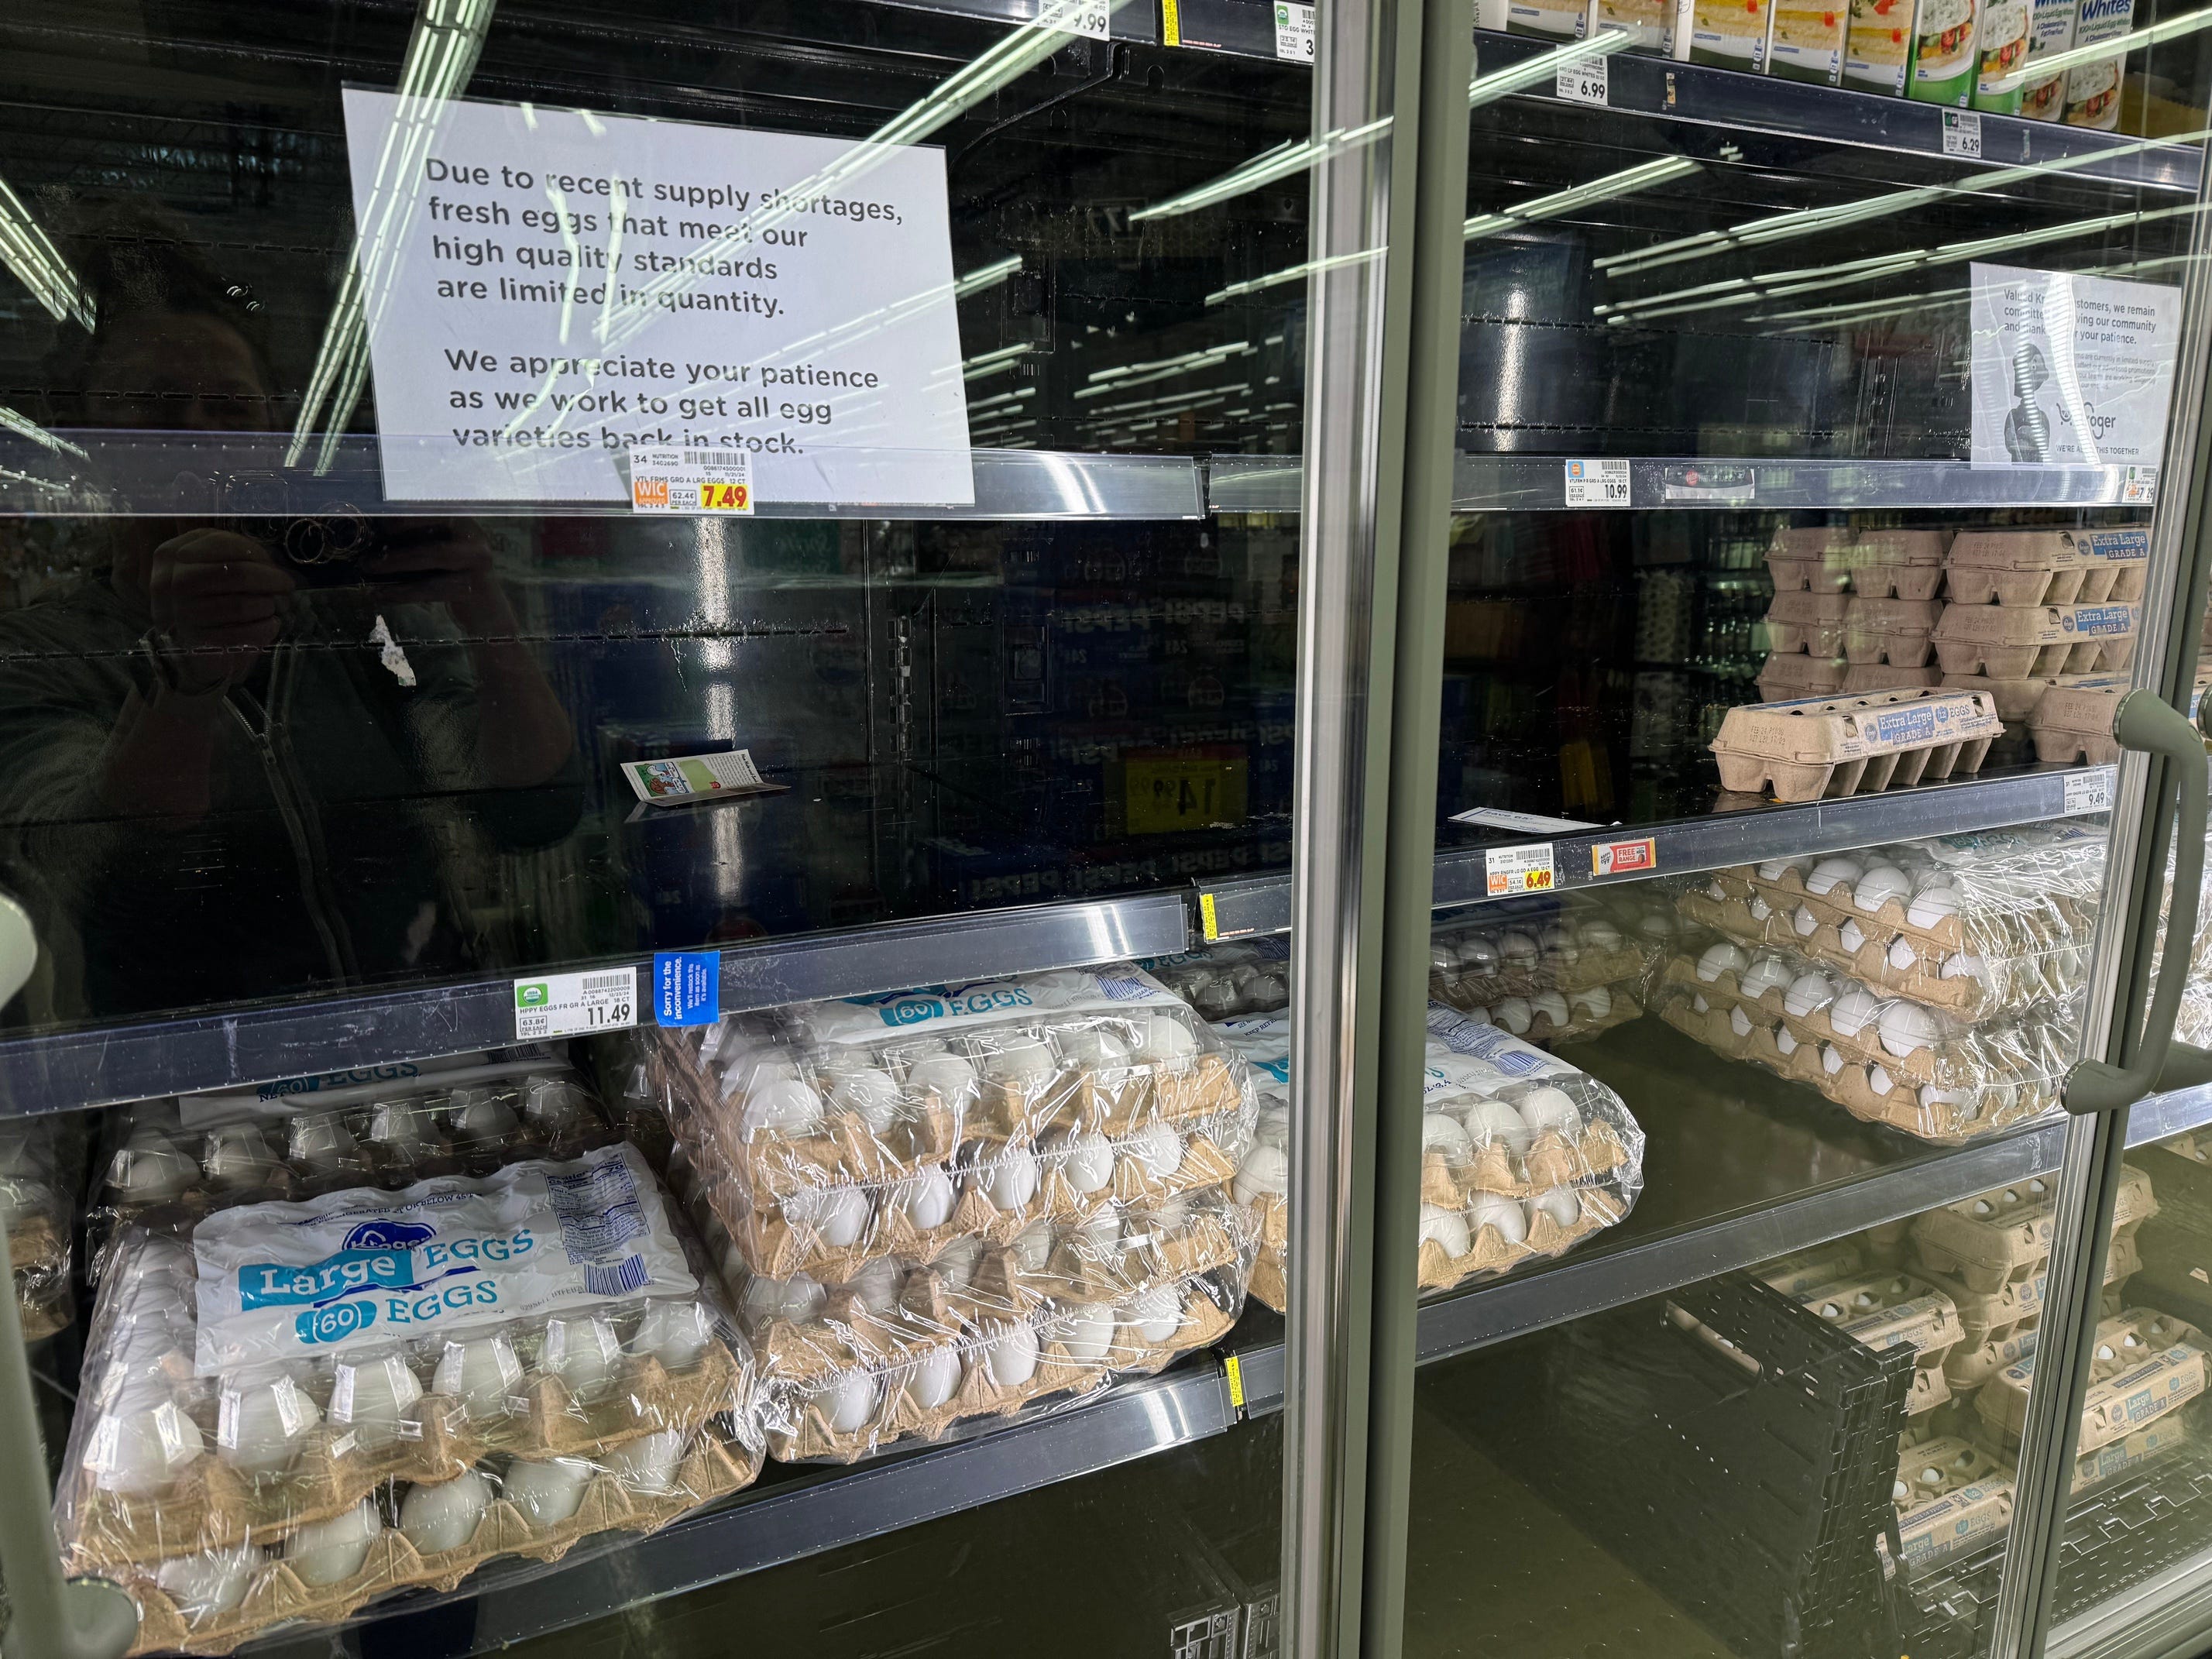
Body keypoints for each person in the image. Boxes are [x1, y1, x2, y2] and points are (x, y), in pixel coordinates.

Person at [0, 205, 581, 1022]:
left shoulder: (362, 625)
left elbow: (531, 810)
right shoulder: (35, 655)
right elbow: (97, 879)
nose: (195, 439)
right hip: (190, 1100)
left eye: (229, 408)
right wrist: (184, 684)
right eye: (154, 407)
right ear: (84, 434)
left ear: (274, 430)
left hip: (410, 1049)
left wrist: (483, 614)